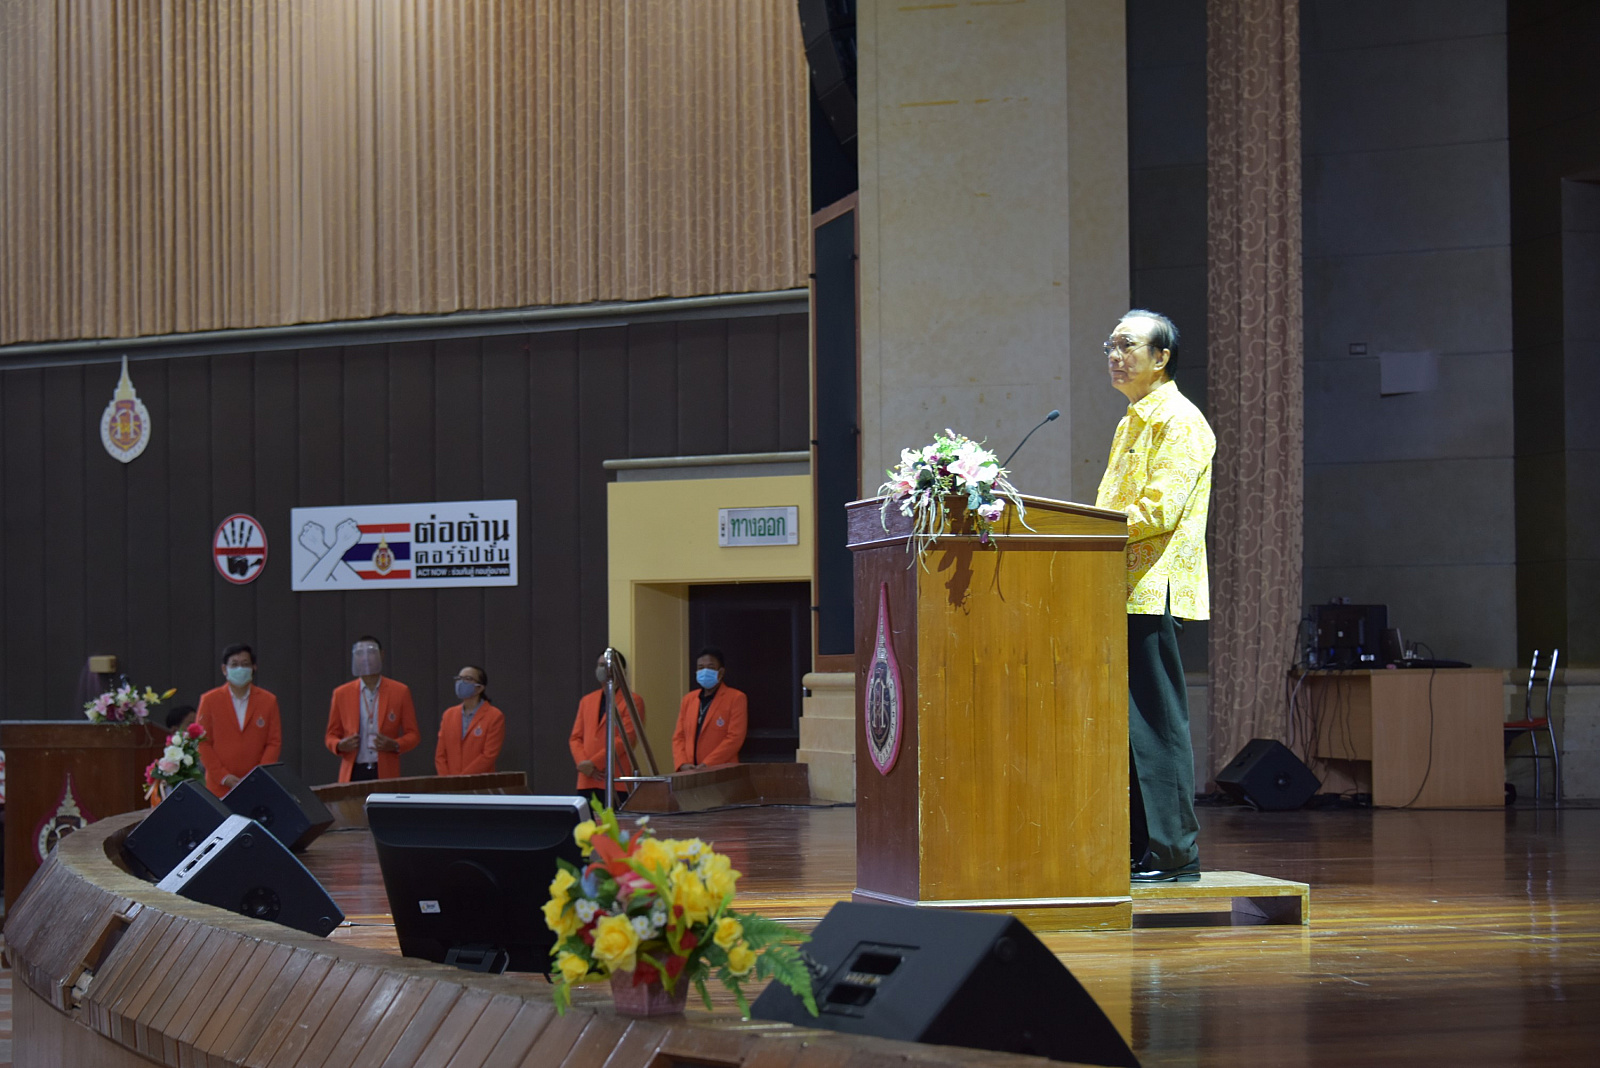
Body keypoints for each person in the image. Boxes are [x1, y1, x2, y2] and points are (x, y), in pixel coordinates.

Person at [1095, 310, 1214, 883]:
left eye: (1127, 345)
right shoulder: (1130, 423)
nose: (1115, 356)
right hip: (1116, 589)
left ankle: (1173, 851)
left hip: (1152, 588)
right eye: (1111, 346)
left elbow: (1159, 510)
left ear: (1161, 357)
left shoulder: (1180, 420)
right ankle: (1141, 846)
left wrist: (1090, 531)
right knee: (1129, 728)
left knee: (1156, 723)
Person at [324, 636, 420, 782]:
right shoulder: (341, 693)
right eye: (360, 654)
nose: (365, 658)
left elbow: (413, 735)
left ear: (382, 655)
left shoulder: (400, 691)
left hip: (385, 770)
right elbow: (331, 735)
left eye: (371, 653)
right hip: (353, 770)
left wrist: (395, 745)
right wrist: (339, 745)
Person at [194, 644, 282, 795]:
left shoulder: (268, 701)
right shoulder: (209, 700)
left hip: (258, 785)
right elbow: (202, 743)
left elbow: (274, 742)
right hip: (219, 786)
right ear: (224, 669)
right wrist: (223, 776)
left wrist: (260, 775)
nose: (240, 669)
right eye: (234, 664)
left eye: (245, 664)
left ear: (254, 667)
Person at [569, 650, 647, 805]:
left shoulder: (633, 701)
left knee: (615, 820)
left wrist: (594, 763)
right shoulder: (587, 700)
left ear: (620, 671)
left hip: (615, 778)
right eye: (600, 665)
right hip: (587, 779)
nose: (602, 669)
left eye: (606, 665)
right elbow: (575, 738)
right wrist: (583, 764)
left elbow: (626, 739)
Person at [671, 647, 748, 772]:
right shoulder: (688, 699)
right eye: (700, 667)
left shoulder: (736, 698)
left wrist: (708, 764)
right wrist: (682, 763)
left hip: (721, 771)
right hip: (690, 771)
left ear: (721, 672)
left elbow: (735, 738)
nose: (705, 671)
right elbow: (679, 737)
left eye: (710, 667)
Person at [434, 665, 505, 775]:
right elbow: (440, 755)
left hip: (479, 781)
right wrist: (447, 780)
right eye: (459, 678)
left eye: (467, 679)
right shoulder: (449, 714)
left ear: (480, 688)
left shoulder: (494, 716)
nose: (461, 683)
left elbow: (489, 755)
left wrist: (464, 779)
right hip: (450, 782)